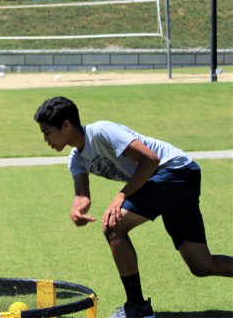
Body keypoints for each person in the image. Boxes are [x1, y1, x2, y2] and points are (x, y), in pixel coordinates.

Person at [34, 96, 232, 318]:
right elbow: (82, 195)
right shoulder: (76, 159)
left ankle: (137, 307)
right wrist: (77, 209)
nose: (45, 139)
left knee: (113, 226)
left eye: (47, 132)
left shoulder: (102, 131)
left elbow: (151, 159)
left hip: (176, 171)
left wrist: (121, 196)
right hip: (171, 179)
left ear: (66, 125)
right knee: (202, 265)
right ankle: (138, 307)